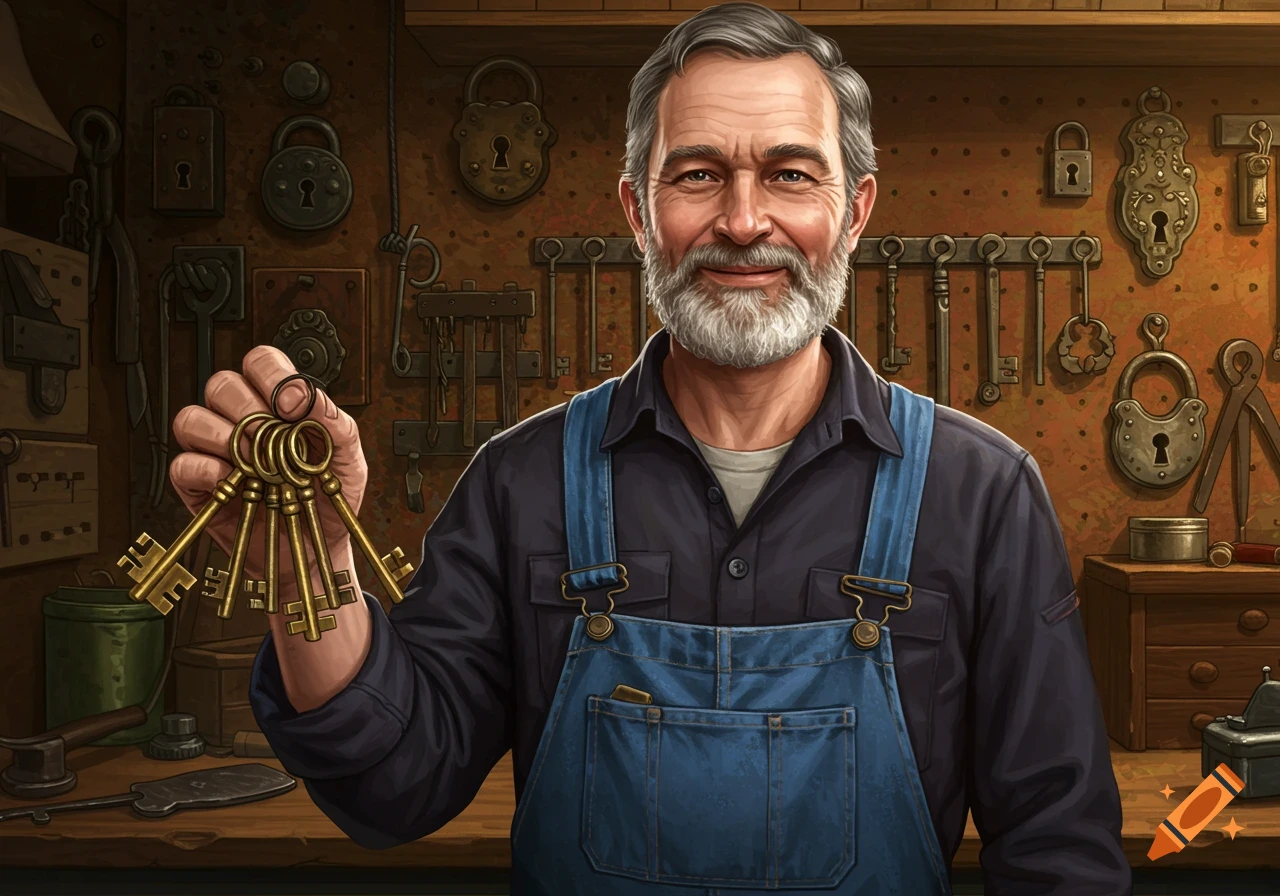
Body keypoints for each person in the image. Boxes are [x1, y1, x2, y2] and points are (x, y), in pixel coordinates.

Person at [170, 3, 1129, 894]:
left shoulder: (982, 494)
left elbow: (1060, 852)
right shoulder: (520, 483)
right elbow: (391, 789)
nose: (743, 222)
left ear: (855, 210)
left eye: (791, 174)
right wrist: (306, 571)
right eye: (698, 174)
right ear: (637, 210)